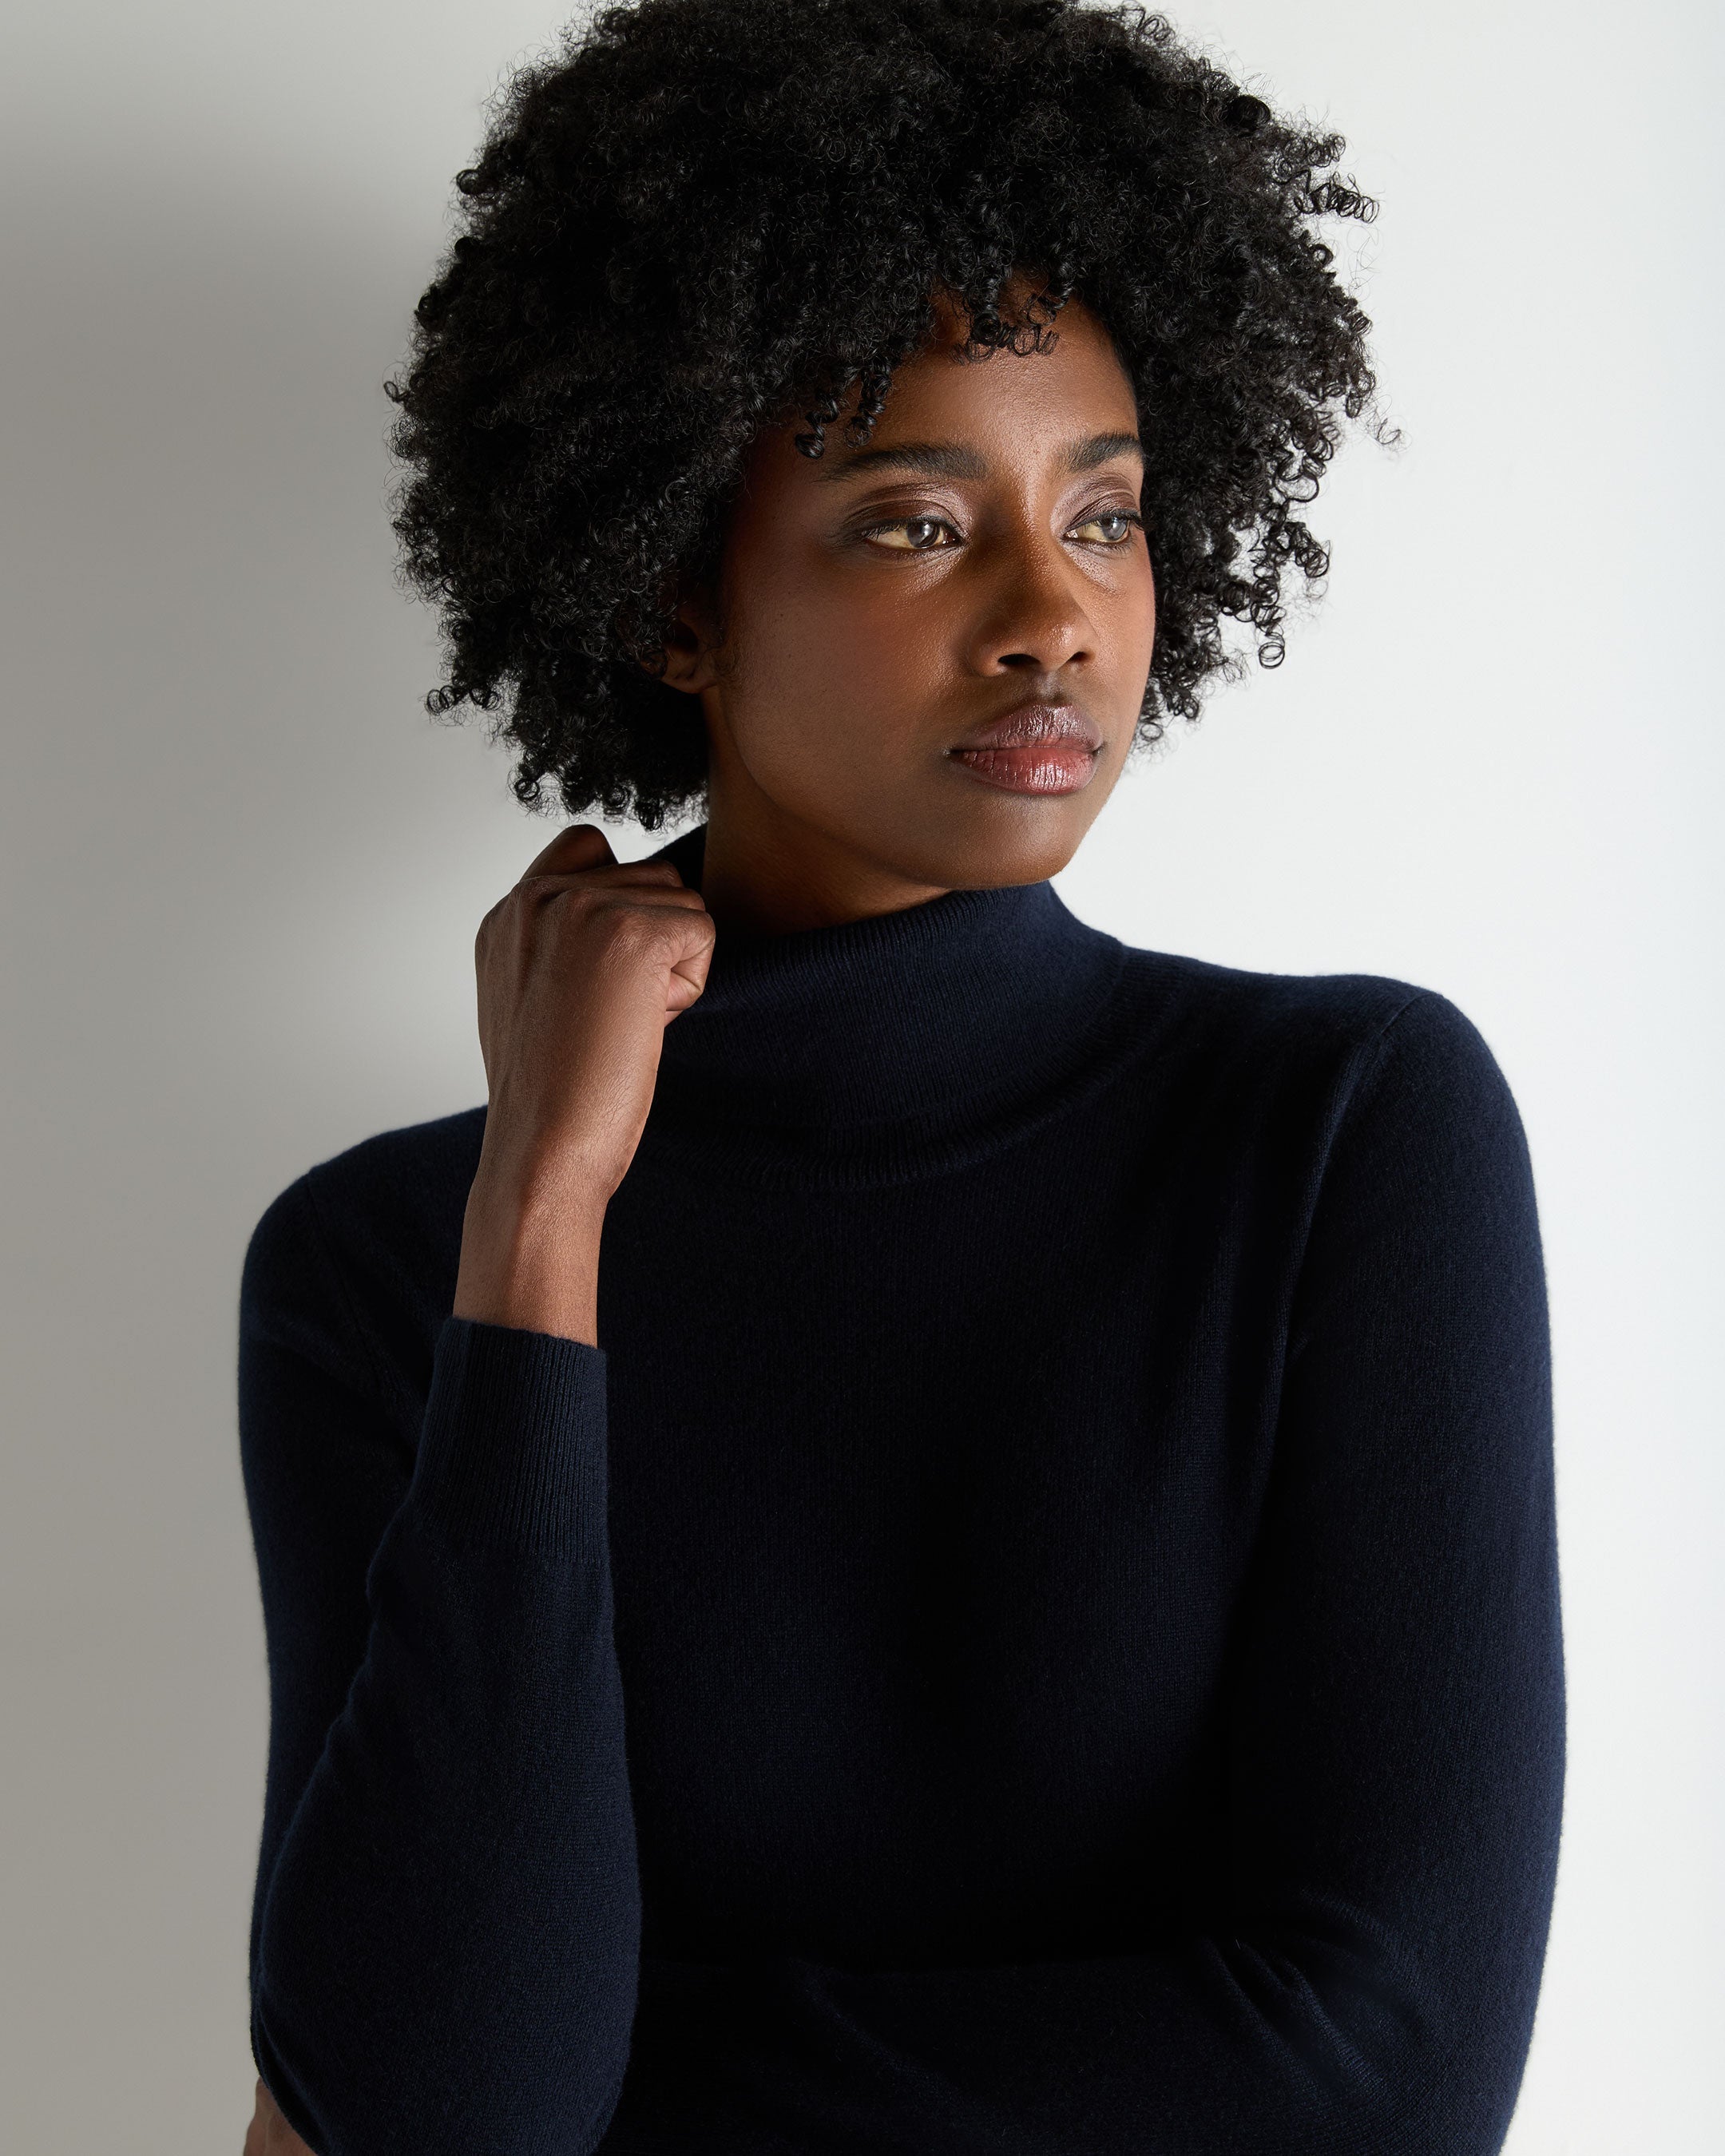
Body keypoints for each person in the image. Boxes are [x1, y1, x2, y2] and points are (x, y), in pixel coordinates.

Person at [238, 2, 1565, 2150]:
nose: (1056, 615)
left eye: (1106, 516)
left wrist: (641, 2094)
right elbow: (451, 2104)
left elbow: (1393, 2082)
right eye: (917, 524)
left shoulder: (1337, 1131)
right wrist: (542, 1220)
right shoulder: (389, 1264)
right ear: (676, 597)